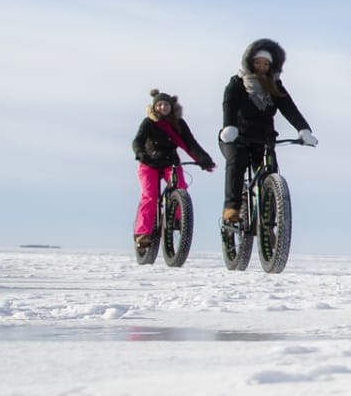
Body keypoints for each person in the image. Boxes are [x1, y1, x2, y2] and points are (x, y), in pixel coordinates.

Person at [218, 39, 317, 224]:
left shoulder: (275, 85)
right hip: (235, 137)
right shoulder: (237, 83)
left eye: (266, 64)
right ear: (249, 62)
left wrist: (303, 130)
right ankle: (232, 207)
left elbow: (289, 108)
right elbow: (229, 104)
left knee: (270, 174)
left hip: (263, 138)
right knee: (237, 161)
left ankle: (268, 227)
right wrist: (229, 126)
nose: (262, 67)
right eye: (258, 62)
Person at [131, 89, 216, 257]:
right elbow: (137, 141)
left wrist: (204, 160)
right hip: (149, 162)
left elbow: (191, 144)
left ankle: (175, 219)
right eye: (160, 104)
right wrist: (140, 153)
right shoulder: (149, 122)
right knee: (150, 195)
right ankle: (143, 234)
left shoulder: (178, 123)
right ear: (155, 107)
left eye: (166, 105)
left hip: (170, 161)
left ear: (171, 107)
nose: (163, 107)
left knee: (180, 187)